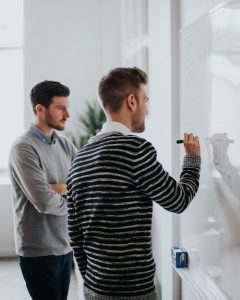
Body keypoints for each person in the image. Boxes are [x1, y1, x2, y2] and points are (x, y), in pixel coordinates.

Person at [67, 67, 201, 300]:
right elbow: (179, 200)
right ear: (131, 101)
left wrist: (93, 281)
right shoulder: (135, 150)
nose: (147, 110)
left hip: (93, 288)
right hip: (133, 291)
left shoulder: (81, 157)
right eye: (145, 100)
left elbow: (75, 233)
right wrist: (193, 158)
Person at [8, 80, 77, 300]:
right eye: (60, 108)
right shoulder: (23, 147)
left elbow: (83, 183)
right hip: (39, 251)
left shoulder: (65, 144)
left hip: (65, 246)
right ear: (40, 109)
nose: (67, 114)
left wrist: (56, 188)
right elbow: (44, 202)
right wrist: (67, 195)